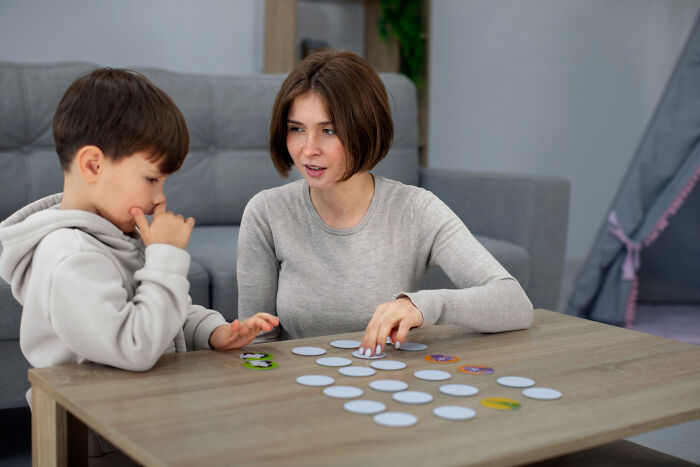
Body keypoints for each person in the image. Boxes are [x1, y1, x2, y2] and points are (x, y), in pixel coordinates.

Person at [0, 68, 279, 461]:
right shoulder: (70, 256)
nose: (159, 198)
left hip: (133, 422)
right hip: (96, 441)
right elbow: (134, 345)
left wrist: (213, 331)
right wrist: (165, 258)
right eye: (151, 179)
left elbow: (157, 312)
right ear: (93, 165)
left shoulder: (112, 237)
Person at [237, 50, 532, 357]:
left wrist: (421, 306)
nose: (308, 149)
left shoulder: (416, 209)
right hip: (296, 389)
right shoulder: (266, 212)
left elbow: (513, 302)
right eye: (296, 129)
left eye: (329, 130)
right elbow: (257, 345)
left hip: (385, 388)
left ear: (363, 129)